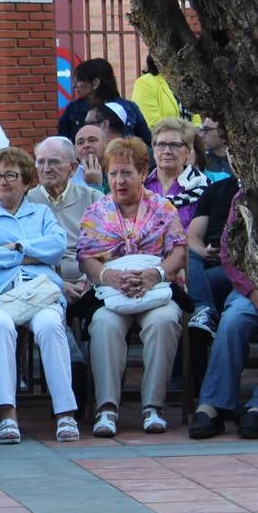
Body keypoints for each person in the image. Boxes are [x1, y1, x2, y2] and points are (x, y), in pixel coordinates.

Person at [0, 147, 80, 443]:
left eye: (10, 175)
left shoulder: (41, 212)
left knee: (50, 325)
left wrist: (15, 248)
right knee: (1, 326)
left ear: (27, 180)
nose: (2, 181)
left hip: (39, 293)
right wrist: (31, 252)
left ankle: (65, 413)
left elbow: (56, 246)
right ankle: (6, 415)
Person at [77, 137, 186, 437]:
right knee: (103, 324)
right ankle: (107, 408)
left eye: (126, 173)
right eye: (113, 174)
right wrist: (109, 277)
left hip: (156, 289)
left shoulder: (163, 208)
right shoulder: (96, 212)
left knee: (164, 321)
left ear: (142, 172)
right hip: (113, 293)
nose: (119, 180)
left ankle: (153, 407)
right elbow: (86, 257)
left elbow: (179, 250)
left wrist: (156, 274)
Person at [190, 187, 258, 438]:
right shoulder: (244, 197)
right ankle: (213, 405)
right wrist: (252, 292)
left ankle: (256, 406)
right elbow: (230, 253)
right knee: (232, 320)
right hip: (249, 287)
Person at [27, 137, 98, 295]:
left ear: (73, 168)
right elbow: (25, 258)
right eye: (40, 162)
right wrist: (58, 284)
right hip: (43, 287)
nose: (46, 169)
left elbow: (105, 251)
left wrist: (88, 280)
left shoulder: (94, 199)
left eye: (54, 162)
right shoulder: (26, 203)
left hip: (90, 284)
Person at [184, 174, 241, 335]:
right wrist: (204, 251)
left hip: (241, 268)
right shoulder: (216, 189)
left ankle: (203, 310)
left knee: (189, 286)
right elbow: (193, 237)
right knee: (188, 252)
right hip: (211, 259)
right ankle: (203, 313)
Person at [57, 58, 151, 143]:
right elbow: (62, 142)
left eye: (78, 80)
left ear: (95, 83)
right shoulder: (73, 109)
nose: (73, 85)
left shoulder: (129, 108)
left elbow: (147, 142)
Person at [145, 117, 209, 230]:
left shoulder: (202, 187)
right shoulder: (141, 184)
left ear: (188, 151)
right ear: (154, 149)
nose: (167, 151)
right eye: (161, 144)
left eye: (174, 145)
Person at [132, 54, 197, 130]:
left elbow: (196, 115)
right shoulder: (145, 83)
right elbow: (153, 124)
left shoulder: (185, 82)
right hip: (163, 140)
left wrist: (197, 132)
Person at [74, 124, 109, 192]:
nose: (86, 145)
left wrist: (95, 186)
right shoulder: (69, 179)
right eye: (80, 142)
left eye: (92, 140)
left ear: (107, 144)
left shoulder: (118, 173)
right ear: (75, 150)